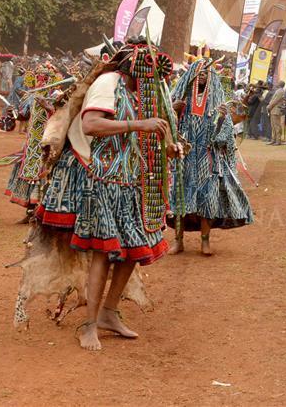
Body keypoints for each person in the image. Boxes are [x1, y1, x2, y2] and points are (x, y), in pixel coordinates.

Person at [56, 41, 183, 350]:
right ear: (132, 66)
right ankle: (88, 325)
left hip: (135, 184)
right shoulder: (107, 83)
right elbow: (90, 125)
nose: (150, 77)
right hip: (105, 181)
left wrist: (170, 147)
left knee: (133, 251)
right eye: (146, 70)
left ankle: (109, 313)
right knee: (104, 253)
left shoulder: (143, 92)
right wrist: (140, 124)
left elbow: (147, 137)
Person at [169, 59, 254, 256]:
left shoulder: (218, 102)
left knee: (207, 200)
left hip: (208, 159)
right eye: (198, 72)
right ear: (190, 75)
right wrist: (173, 109)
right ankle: (178, 241)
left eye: (206, 73)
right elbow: (166, 125)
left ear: (211, 77)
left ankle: (205, 242)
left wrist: (223, 119)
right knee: (180, 199)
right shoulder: (180, 99)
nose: (202, 76)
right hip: (184, 158)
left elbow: (225, 138)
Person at [267, 80, 286, 145]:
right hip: (273, 109)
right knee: (273, 126)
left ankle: (278, 140)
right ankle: (274, 139)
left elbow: (275, 100)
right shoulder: (278, 90)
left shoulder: (280, 91)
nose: (276, 83)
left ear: (280, 84)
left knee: (277, 125)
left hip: (276, 109)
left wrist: (269, 106)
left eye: (278, 82)